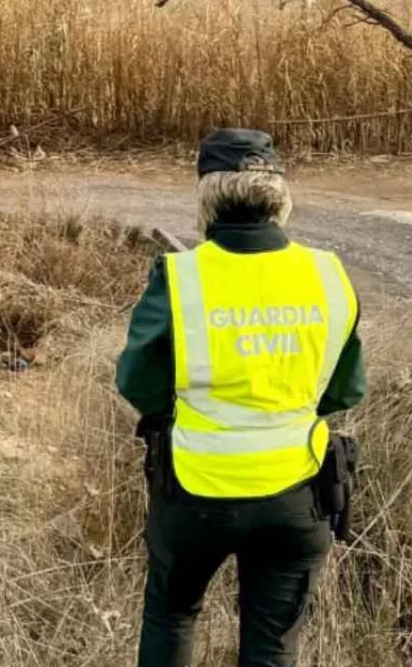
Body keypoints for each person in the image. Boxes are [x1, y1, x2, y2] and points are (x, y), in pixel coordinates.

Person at [115, 128, 368, 667]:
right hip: (298, 494)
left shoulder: (181, 276)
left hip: (195, 492)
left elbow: (136, 379)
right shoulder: (328, 276)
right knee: (273, 644)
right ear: (279, 196)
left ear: (207, 196)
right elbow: (348, 388)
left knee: (173, 614)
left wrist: (174, 415)